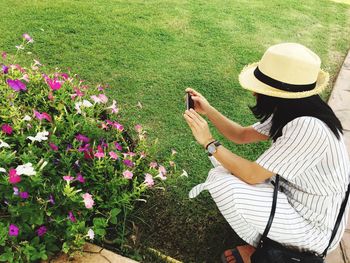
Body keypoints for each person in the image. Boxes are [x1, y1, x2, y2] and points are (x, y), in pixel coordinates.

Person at [183, 42, 350, 263]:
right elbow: (241, 135)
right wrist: (208, 109)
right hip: (293, 197)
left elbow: (252, 174)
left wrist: (209, 143)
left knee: (223, 184)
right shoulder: (297, 108)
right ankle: (267, 243)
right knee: (222, 173)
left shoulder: (309, 127)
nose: (254, 91)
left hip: (313, 228)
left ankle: (266, 251)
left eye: (261, 87)